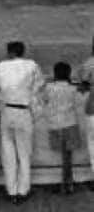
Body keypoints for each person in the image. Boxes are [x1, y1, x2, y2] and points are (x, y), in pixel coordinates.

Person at [0, 41, 44, 204]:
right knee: (24, 153)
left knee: (7, 153)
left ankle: (11, 190)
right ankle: (23, 191)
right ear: (22, 52)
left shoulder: (1, 66)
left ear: (10, 52)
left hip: (6, 111)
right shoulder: (32, 65)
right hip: (23, 112)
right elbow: (39, 86)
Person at [44, 62, 81, 194]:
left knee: (63, 156)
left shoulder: (49, 88)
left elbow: (44, 100)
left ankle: (65, 183)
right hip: (70, 124)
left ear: (55, 73)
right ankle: (68, 183)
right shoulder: (73, 88)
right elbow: (78, 103)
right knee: (68, 156)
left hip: (55, 125)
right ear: (69, 73)